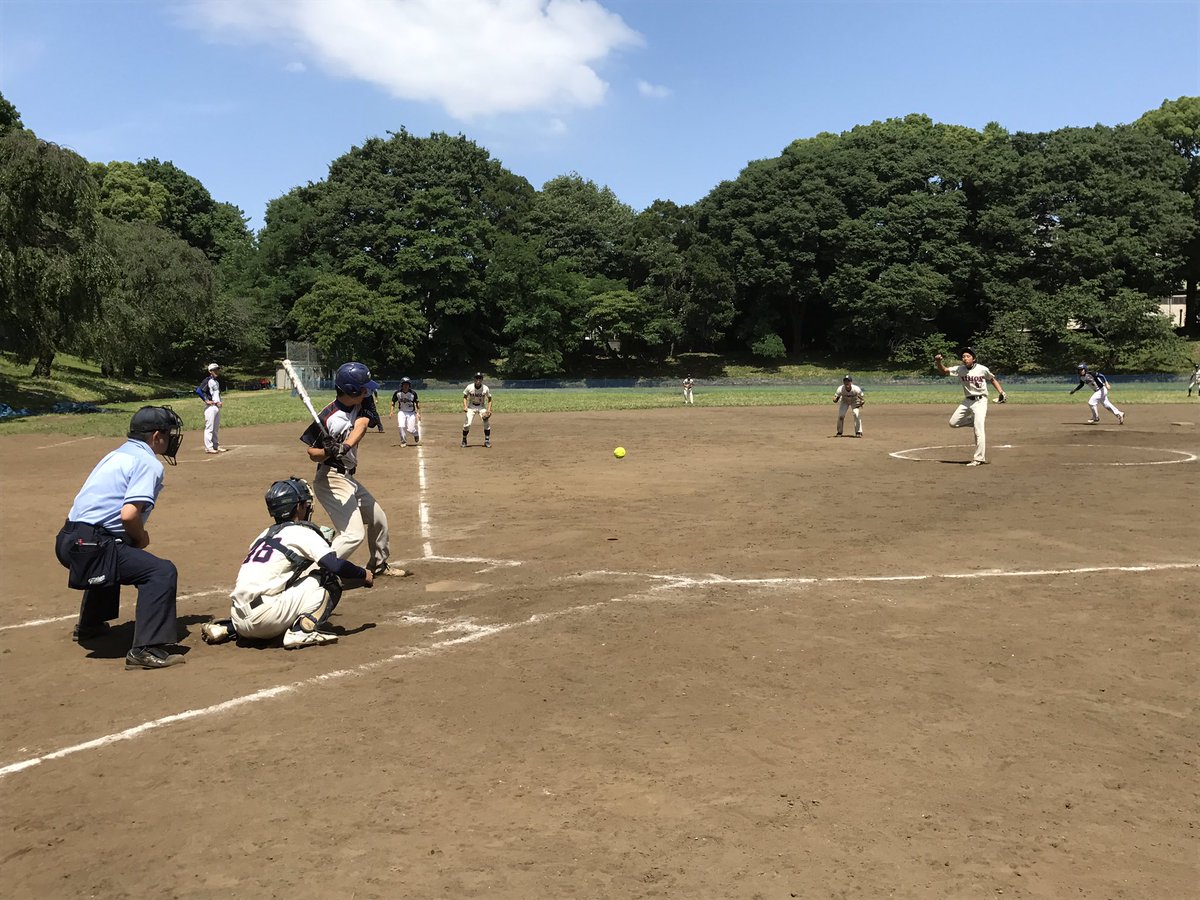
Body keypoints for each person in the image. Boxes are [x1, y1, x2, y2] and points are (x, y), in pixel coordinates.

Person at [54, 406, 187, 669]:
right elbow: (128, 516)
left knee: (116, 548)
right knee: (161, 571)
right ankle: (146, 650)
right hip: (92, 547)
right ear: (157, 435)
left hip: (68, 540)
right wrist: (140, 538)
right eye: (169, 433)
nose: (172, 439)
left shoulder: (117, 454)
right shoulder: (148, 463)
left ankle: (91, 624)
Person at [201, 477, 374, 650]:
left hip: (238, 618)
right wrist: (362, 574)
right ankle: (301, 631)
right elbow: (335, 565)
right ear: (298, 507)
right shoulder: (302, 533)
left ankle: (226, 628)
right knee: (328, 577)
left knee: (280, 586)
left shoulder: (263, 536)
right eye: (305, 504)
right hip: (266, 620)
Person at [298, 362, 411, 578]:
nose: (368, 391)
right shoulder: (326, 417)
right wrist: (329, 452)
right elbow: (312, 453)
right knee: (352, 535)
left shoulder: (363, 402)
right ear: (351, 390)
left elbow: (361, 425)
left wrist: (344, 446)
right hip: (330, 479)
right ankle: (310, 575)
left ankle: (378, 564)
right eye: (363, 387)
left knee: (378, 519)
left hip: (348, 478)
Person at [933, 348, 1006, 466]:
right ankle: (974, 420)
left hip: (980, 401)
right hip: (967, 401)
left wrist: (1001, 392)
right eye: (963, 356)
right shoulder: (960, 369)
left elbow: (992, 379)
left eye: (968, 356)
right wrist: (938, 362)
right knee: (953, 422)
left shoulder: (982, 369)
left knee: (979, 431)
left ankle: (979, 458)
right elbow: (944, 371)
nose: (965, 358)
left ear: (974, 358)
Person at [198, 363, 228, 454]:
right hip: (210, 407)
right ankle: (209, 447)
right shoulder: (207, 380)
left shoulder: (216, 382)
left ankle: (216, 445)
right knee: (209, 428)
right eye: (214, 370)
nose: (216, 371)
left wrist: (220, 401)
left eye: (217, 370)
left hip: (216, 407)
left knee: (215, 428)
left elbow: (217, 394)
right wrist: (206, 400)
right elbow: (199, 390)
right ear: (210, 371)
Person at [462, 371, 493, 448]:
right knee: (467, 425)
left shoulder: (485, 388)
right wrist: (465, 406)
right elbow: (465, 396)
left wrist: (488, 410)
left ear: (482, 379)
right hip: (471, 407)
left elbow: (490, 399)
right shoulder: (469, 387)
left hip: (481, 407)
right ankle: (464, 440)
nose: (478, 380)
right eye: (476, 378)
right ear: (474, 379)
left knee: (486, 423)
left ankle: (487, 441)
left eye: (480, 378)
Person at [390, 377, 422, 447]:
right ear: (401, 385)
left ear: (409, 385)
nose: (405, 386)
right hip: (402, 412)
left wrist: (418, 413)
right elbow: (393, 401)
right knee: (401, 426)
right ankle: (403, 441)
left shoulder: (413, 393)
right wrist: (391, 411)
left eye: (407, 384)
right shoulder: (397, 393)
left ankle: (416, 434)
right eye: (404, 384)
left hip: (411, 413)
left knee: (410, 429)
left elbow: (417, 403)